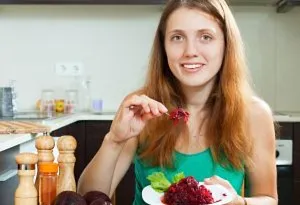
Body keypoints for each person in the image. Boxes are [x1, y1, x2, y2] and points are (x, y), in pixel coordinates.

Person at [77, 0, 278, 204]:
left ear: (226, 44)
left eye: (206, 37)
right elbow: (87, 197)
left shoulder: (254, 114)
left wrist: (240, 202)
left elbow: (268, 199)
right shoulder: (142, 109)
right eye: (177, 37)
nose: (190, 51)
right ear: (163, 47)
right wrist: (114, 140)